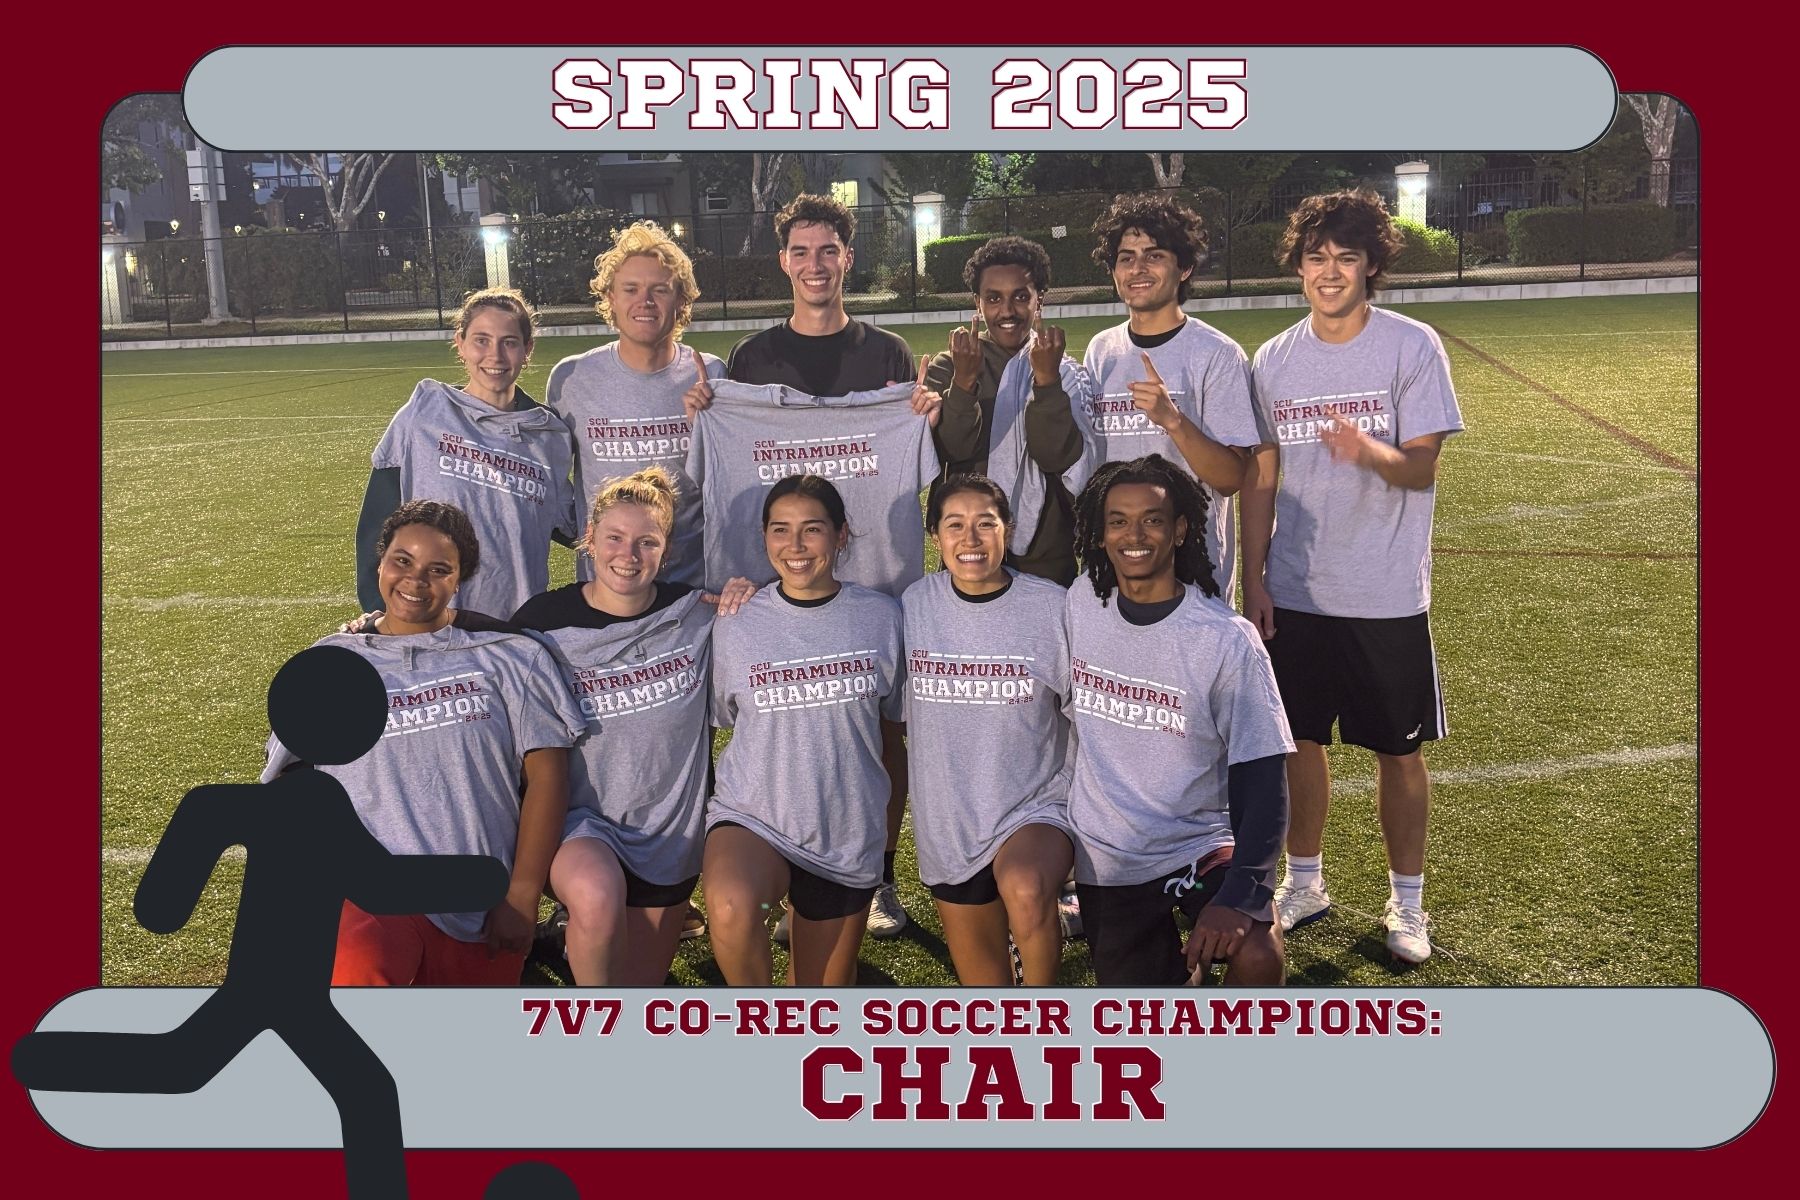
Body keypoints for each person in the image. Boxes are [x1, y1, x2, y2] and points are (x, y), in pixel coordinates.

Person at [12, 646, 509, 1200]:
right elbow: (381, 886)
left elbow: (159, 911)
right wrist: (485, 879)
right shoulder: (323, 804)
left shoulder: (222, 804)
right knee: (365, 1092)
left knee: (182, 1066)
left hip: (256, 987)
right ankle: (36, 1059)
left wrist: (173, 889)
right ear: (365, 733)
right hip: (297, 995)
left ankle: (38, 1059)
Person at [705, 192, 940, 938]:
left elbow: (911, 443)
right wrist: (707, 408)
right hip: (794, 570)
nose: (816, 264)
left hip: (877, 569)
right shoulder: (752, 356)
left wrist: (923, 413)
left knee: (882, 727)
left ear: (848, 258)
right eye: (802, 251)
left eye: (828, 251)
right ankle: (792, 865)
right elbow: (742, 447)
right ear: (784, 261)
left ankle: (877, 876)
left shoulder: (886, 351)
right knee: (790, 715)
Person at [1241, 189, 1464, 965]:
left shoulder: (1411, 346)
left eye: (1346, 257)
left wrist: (1368, 450)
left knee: (1398, 751)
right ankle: (1305, 883)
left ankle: (1409, 903)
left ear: (1372, 265)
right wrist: (1254, 579)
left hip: (1384, 591)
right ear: (1298, 266)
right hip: (1296, 589)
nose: (1329, 272)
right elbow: (1259, 479)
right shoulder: (1273, 360)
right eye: (1316, 257)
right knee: (1298, 741)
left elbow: (1422, 467)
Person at [277, 500, 584, 985]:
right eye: (402, 561)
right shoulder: (330, 663)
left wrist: (521, 895)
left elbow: (547, 778)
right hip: (369, 894)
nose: (416, 580)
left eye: (438, 569)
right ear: (380, 561)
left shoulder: (510, 656)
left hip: (477, 901)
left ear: (461, 578)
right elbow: (290, 789)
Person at [511, 468, 751, 985]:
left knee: (638, 988)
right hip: (582, 823)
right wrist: (377, 626)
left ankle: (578, 947)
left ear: (666, 551)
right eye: (615, 537)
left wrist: (746, 594)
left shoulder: (695, 613)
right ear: (589, 538)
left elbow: (769, 624)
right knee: (596, 896)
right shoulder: (542, 623)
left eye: (647, 542)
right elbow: (476, 654)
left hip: (670, 833)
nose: (629, 555)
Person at [1065, 455, 1293, 986]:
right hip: (1111, 854)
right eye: (1118, 521)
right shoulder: (1080, 604)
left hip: (1200, 845)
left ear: (1181, 529)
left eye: (1152, 519)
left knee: (1259, 956)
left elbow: (1264, 780)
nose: (1134, 535)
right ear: (1100, 534)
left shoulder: (1226, 639)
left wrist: (1241, 895)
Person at [702, 475, 905, 986]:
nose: (794, 546)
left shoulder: (883, 618)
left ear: (841, 535)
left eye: (812, 529)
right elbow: (720, 715)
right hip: (755, 818)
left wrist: (884, 850)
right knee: (732, 908)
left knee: (820, 997)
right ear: (764, 537)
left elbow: (892, 738)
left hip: (845, 830)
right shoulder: (735, 620)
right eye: (780, 530)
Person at [901, 475, 1074, 985]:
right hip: (949, 821)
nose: (970, 539)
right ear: (935, 536)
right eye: (955, 525)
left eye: (986, 524)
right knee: (985, 991)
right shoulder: (913, 606)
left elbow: (1087, 712)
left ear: (1008, 531)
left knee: (1025, 885)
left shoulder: (1052, 607)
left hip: (1035, 805)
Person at [355, 288, 577, 620]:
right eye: (481, 340)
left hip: (516, 623)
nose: (495, 356)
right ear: (460, 343)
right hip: (429, 620)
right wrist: (381, 610)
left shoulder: (548, 435)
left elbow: (570, 523)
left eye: (509, 342)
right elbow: (379, 521)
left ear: (527, 349)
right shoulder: (424, 415)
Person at [1082, 194, 1263, 598]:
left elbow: (1231, 478)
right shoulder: (1101, 350)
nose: (1138, 269)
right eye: (1126, 258)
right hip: (1118, 565)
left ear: (1184, 268)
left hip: (1193, 570)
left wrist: (1174, 421)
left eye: (1154, 256)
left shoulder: (1217, 353)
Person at [545, 221, 720, 590]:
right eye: (631, 289)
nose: (646, 301)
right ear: (610, 297)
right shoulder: (571, 379)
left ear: (682, 300)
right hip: (606, 590)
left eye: (660, 289)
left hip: (691, 590)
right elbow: (550, 480)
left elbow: (730, 484)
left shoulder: (711, 375)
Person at [922, 236, 1093, 586]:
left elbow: (1057, 457)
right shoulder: (949, 365)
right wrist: (964, 382)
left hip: (1045, 555)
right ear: (977, 302)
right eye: (993, 298)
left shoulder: (1064, 370)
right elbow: (951, 449)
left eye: (1020, 296)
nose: (1007, 311)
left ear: (1039, 299)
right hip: (969, 550)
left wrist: (1047, 381)